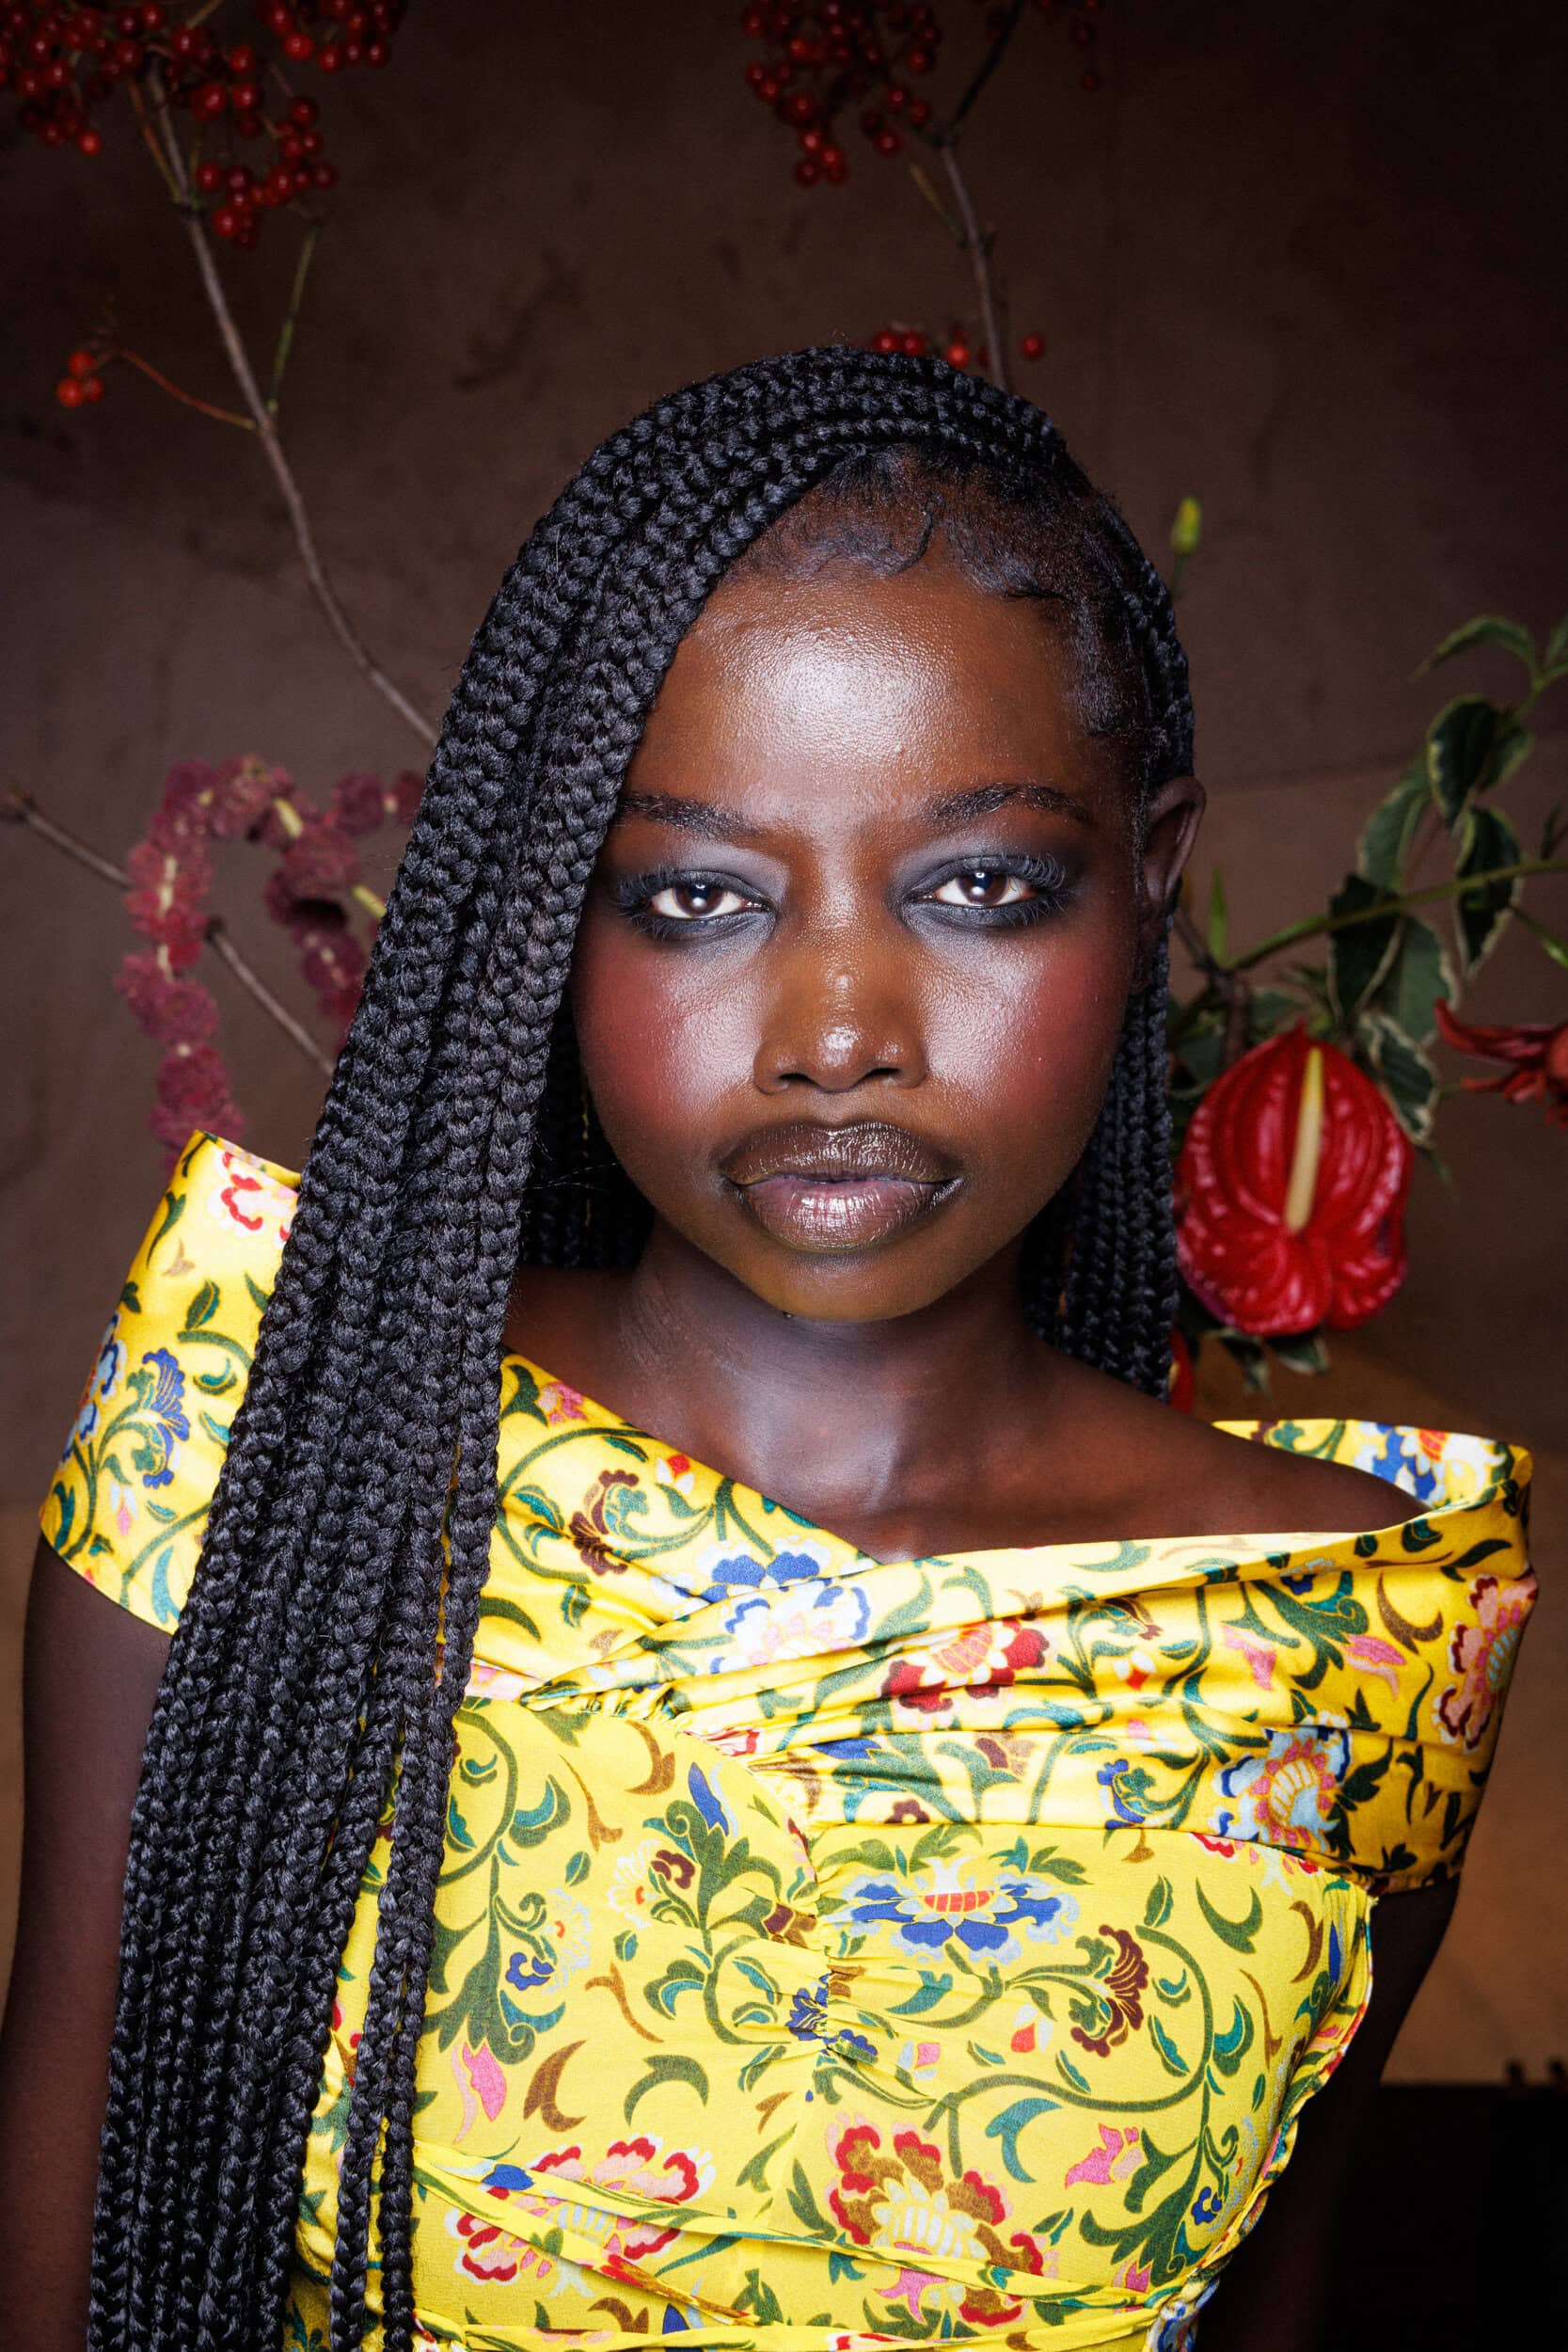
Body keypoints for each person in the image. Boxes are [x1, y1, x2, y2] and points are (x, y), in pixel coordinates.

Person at [0, 349, 1535, 2352]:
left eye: (979, 886)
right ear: (563, 911)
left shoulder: (1353, 1625)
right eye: (701, 894)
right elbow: (70, 2256)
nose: (834, 1023)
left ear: (1146, 879)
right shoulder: (271, 1418)